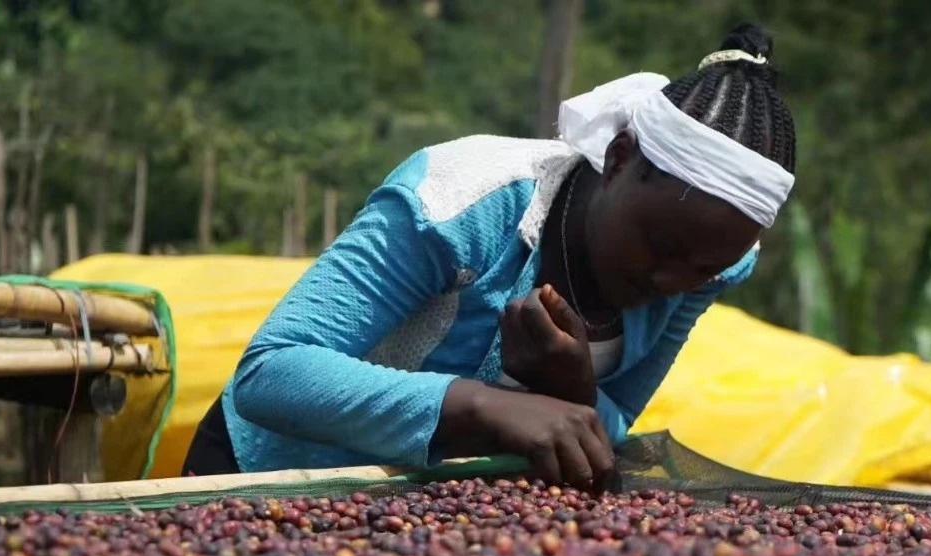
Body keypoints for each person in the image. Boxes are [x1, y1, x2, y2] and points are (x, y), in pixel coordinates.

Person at [182, 23, 797, 490]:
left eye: (703, 268)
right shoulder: (461, 202)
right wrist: (486, 405)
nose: (673, 281)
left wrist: (573, 389)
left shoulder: (710, 263)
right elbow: (270, 373)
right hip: (279, 479)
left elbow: (612, 425)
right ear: (620, 158)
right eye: (660, 247)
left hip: (436, 508)